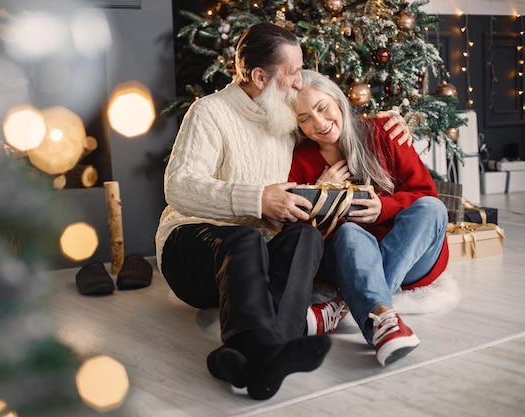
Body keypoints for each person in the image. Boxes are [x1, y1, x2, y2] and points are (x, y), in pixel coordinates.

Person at [156, 23, 411, 400]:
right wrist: (258, 199)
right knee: (244, 237)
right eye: (292, 72)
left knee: (306, 236)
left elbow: (330, 120)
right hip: (191, 250)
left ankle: (252, 357)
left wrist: (386, 122)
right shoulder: (209, 112)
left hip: (250, 262)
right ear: (260, 76)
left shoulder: (283, 115)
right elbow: (177, 187)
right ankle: (266, 349)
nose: (299, 81)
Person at [288, 70, 449, 366]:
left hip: (410, 257)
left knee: (432, 209)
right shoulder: (299, 160)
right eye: (304, 118)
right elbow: (298, 234)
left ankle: (342, 307)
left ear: (337, 100)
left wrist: (385, 207)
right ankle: (381, 319)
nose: (319, 123)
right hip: (350, 262)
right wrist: (321, 196)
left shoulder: (383, 131)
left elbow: (426, 194)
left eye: (322, 108)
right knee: (350, 234)